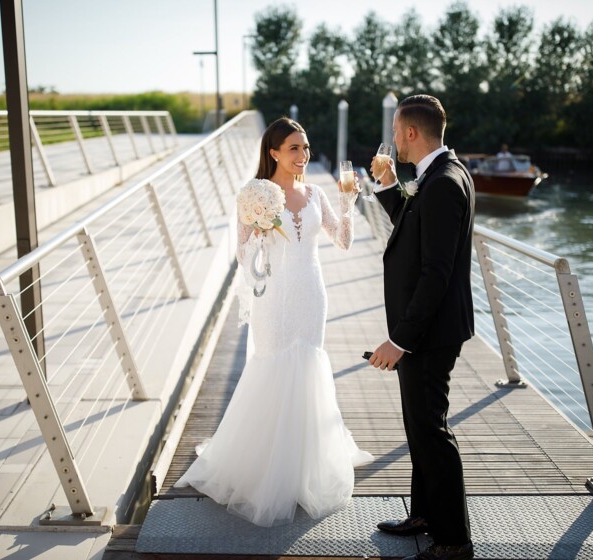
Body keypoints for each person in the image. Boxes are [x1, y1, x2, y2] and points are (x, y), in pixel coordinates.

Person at [175, 117, 373, 527]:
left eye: (306, 148)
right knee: (272, 369)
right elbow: (242, 256)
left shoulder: (316, 193)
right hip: (275, 298)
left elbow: (343, 241)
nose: (303, 156)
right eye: (295, 148)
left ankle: (303, 470)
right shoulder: (255, 195)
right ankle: (265, 470)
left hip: (311, 295)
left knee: (309, 369)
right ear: (274, 153)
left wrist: (346, 205)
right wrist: (262, 232)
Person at [367, 95, 475, 560]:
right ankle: (424, 514)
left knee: (430, 429)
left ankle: (453, 540)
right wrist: (391, 188)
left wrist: (399, 340)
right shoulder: (437, 175)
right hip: (427, 330)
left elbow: (437, 272)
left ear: (411, 132)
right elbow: (414, 229)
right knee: (419, 426)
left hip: (429, 334)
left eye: (396, 130)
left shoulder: (444, 183)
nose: (393, 139)